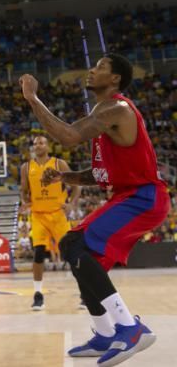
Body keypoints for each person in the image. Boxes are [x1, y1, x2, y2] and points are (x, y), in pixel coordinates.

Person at [20, 53, 170, 366]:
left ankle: (129, 327)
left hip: (144, 198)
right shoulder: (104, 117)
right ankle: (104, 331)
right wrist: (67, 176)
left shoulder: (116, 108)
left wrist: (33, 99)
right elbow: (101, 175)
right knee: (71, 247)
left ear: (115, 79)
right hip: (128, 196)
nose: (92, 69)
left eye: (100, 66)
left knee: (75, 243)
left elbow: (69, 136)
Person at [20, 135, 79, 311]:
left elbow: (76, 185)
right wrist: (25, 201)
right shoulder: (26, 167)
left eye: (42, 142)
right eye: (35, 142)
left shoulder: (58, 164)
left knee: (71, 254)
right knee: (38, 253)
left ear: (48, 146)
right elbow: (24, 190)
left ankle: (85, 292)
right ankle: (38, 295)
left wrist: (71, 204)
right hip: (38, 215)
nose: (38, 145)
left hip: (58, 214)